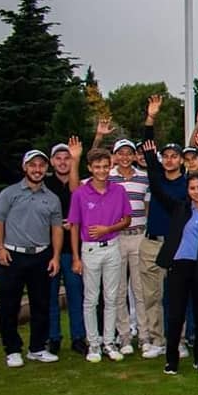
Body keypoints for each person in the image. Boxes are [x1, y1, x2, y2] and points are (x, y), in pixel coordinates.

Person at [0, 133, 82, 356]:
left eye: (67, 158)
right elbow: (6, 187)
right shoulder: (31, 186)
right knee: (30, 302)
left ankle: (63, 342)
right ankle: (40, 342)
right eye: (58, 158)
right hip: (31, 252)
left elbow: (75, 196)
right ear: (51, 163)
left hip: (62, 250)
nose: (38, 169)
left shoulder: (68, 187)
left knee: (61, 299)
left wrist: (79, 157)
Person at [141, 140, 198, 375]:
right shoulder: (179, 209)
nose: (197, 191)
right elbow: (156, 186)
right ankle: (171, 359)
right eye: (192, 188)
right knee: (175, 314)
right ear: (188, 190)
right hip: (178, 266)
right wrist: (150, 155)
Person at [0, 148, 64, 367]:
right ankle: (12, 349)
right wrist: (0, 248)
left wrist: (56, 256)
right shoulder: (9, 193)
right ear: (25, 167)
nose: (37, 169)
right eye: (33, 165)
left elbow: (57, 229)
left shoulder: (52, 198)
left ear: (46, 168)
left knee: (41, 304)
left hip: (41, 256)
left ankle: (37, 348)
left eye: (41, 165)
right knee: (9, 305)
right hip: (13, 256)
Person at [67, 143, 133, 363]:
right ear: (90, 168)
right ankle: (93, 344)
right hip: (90, 250)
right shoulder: (80, 193)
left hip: (112, 245)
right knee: (91, 299)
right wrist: (76, 257)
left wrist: (108, 229)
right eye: (97, 167)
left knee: (112, 297)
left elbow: (127, 220)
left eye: (105, 166)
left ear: (110, 166)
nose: (102, 171)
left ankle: (109, 342)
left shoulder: (118, 190)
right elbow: (74, 225)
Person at [139, 95, 187, 360]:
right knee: (152, 296)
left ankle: (178, 340)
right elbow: (147, 147)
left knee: (176, 296)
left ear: (181, 160)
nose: (169, 160)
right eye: (165, 156)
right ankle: (157, 340)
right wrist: (151, 118)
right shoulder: (156, 176)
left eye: (174, 156)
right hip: (151, 243)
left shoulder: (188, 184)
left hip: (176, 244)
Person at [107, 138, 149, 356]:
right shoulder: (108, 177)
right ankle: (124, 336)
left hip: (139, 236)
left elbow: (146, 207)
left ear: (134, 156)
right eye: (120, 153)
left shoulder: (144, 177)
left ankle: (144, 336)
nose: (125, 157)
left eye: (128, 153)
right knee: (119, 290)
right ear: (115, 156)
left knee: (140, 290)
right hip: (117, 237)